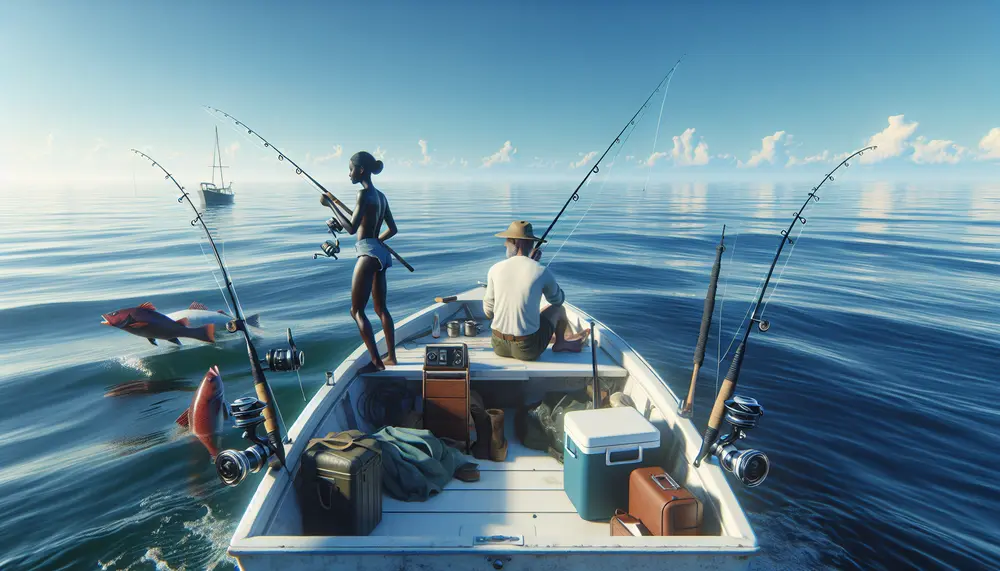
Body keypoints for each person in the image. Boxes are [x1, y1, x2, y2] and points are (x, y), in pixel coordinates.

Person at [321, 151, 398, 373]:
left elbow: (352, 228)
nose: (349, 174)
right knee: (381, 308)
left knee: (356, 311)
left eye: (351, 169)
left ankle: (376, 362)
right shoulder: (382, 197)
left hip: (367, 254)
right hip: (381, 254)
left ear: (361, 170)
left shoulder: (363, 195)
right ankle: (391, 356)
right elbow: (392, 229)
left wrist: (330, 204)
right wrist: (377, 241)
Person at [482, 220, 589, 361]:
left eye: (507, 241)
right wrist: (534, 265)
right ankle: (561, 342)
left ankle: (552, 337)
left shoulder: (494, 269)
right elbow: (558, 300)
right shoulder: (541, 271)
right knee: (558, 310)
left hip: (498, 346)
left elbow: (488, 313)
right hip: (527, 349)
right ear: (531, 244)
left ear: (516, 242)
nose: (505, 245)